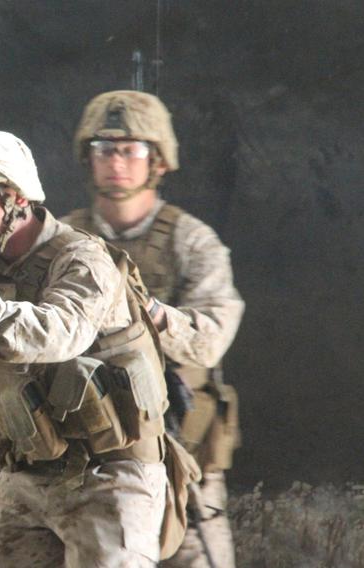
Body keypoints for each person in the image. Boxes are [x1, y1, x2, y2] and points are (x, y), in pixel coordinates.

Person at [0, 130, 189, 567]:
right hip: (27, 472)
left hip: (110, 475)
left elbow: (59, 333)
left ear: (17, 197)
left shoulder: (82, 258)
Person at [64, 90, 245, 568]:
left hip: (180, 458)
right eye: (104, 149)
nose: (116, 161)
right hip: (90, 461)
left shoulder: (191, 240)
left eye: (131, 149)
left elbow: (210, 337)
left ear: (158, 162)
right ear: (88, 158)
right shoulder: (61, 242)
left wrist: (155, 316)